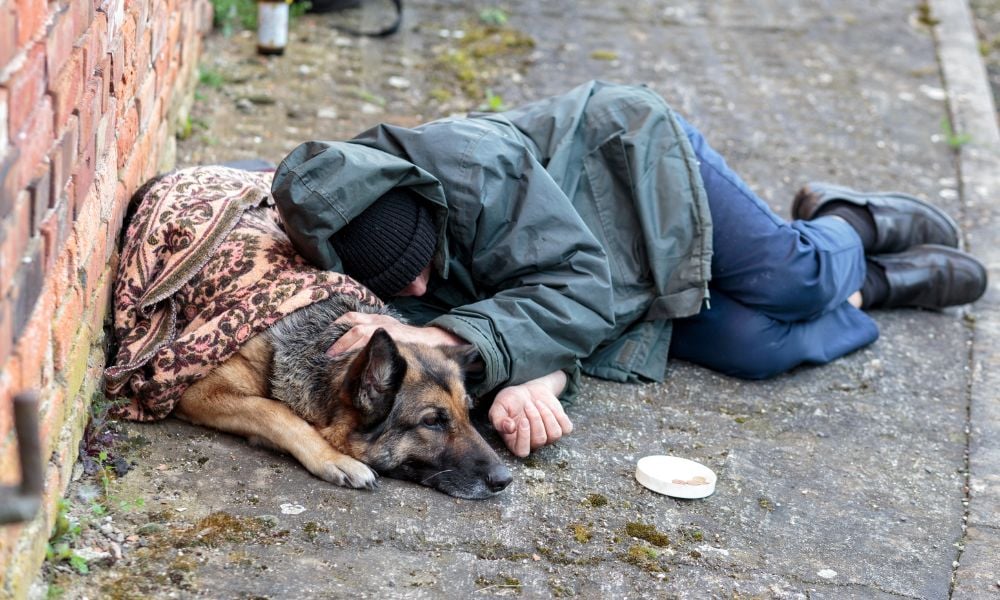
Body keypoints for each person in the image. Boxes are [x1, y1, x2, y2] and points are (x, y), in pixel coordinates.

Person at [270, 81, 987, 458]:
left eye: (421, 264)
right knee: (756, 346)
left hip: (634, 175)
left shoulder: (474, 165)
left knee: (791, 280)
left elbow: (576, 288)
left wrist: (450, 337)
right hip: (605, 279)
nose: (417, 291)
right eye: (396, 284)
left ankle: (850, 221)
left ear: (425, 206)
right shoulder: (348, 259)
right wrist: (535, 380)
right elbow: (526, 325)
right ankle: (877, 285)